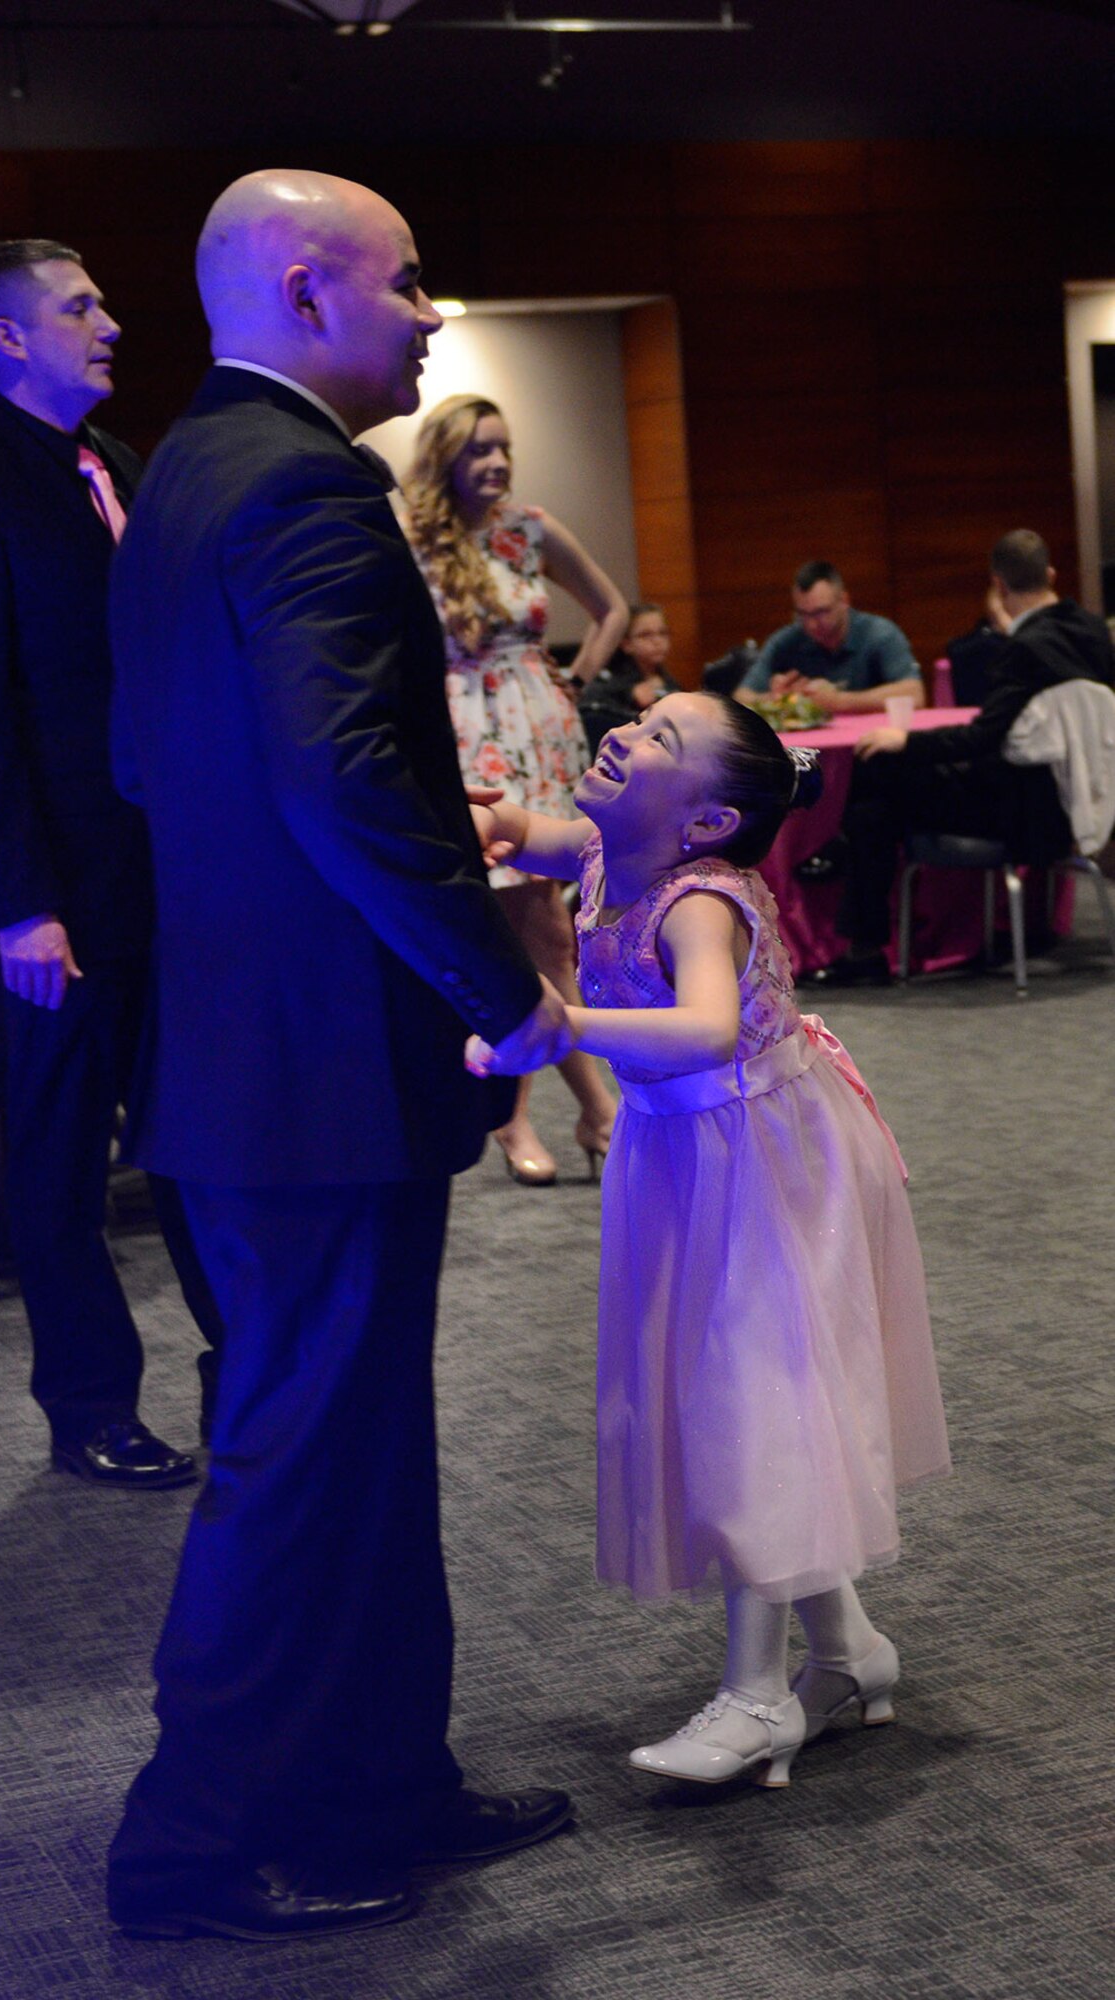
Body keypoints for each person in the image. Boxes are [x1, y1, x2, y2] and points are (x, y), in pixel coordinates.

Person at [104, 170, 575, 1944]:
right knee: (300, 1461)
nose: (432, 313)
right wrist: (496, 984)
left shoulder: (184, 469)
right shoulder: (300, 481)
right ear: (307, 292)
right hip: (312, 1070)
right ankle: (191, 1849)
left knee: (355, 1446)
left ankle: (382, 1781)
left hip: (255, 1051)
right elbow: (335, 775)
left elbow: (162, 762)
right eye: (408, 281)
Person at [466, 690, 951, 1790]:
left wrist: (567, 1023)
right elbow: (520, 831)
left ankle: (757, 1695)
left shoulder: (698, 900)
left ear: (705, 823)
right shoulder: (603, 847)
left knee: (752, 1405)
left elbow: (705, 1026)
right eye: (640, 718)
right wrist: (475, 817)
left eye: (658, 738)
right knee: (736, 1392)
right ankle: (849, 1652)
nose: (623, 733)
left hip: (764, 1156)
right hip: (680, 1151)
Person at [0, 239, 214, 1487]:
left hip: (162, 870)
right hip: (57, 893)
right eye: (81, 307)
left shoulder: (112, 459)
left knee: (193, 1130)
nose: (111, 322)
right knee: (64, 1157)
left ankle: (243, 1375)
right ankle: (87, 1407)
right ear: (10, 336)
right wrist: (23, 904)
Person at [404, 394, 625, 1185]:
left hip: (541, 742)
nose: (496, 462)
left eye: (502, 447)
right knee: (519, 933)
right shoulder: (413, 541)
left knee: (544, 932)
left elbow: (611, 608)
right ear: (445, 459)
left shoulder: (529, 529)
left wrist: (576, 679)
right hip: (468, 749)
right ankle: (579, 1110)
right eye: (478, 450)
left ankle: (541, 1110)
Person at [811, 528, 1115, 987]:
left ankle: (859, 926)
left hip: (1024, 815)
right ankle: (860, 924)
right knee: (874, 805)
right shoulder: (1093, 632)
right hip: (1076, 803)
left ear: (999, 585)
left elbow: (980, 739)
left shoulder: (1025, 649)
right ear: (1051, 575)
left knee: (877, 772)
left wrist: (906, 741)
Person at [738, 560, 923, 716]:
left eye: (821, 612)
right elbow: (740, 699)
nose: (812, 624)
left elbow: (915, 695)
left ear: (844, 601)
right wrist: (777, 700)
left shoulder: (880, 634)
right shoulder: (785, 642)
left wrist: (839, 701)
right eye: (803, 614)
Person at [577, 601, 681, 760]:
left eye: (662, 633)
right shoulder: (611, 681)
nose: (657, 641)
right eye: (645, 635)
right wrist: (629, 693)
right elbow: (586, 705)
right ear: (627, 644)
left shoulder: (670, 683)